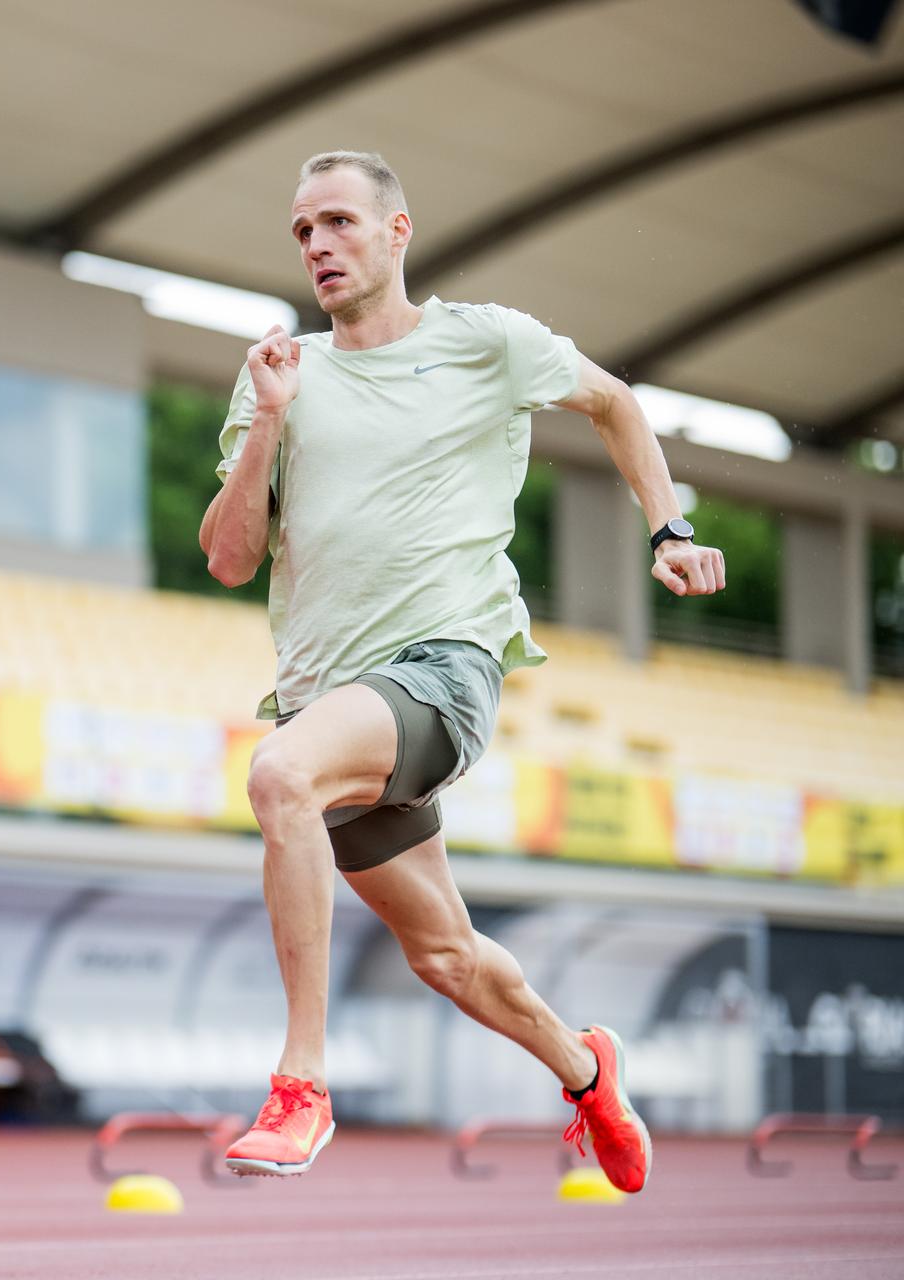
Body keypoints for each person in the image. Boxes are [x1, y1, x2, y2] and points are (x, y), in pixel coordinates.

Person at [200, 150, 726, 1192]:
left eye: (339, 222)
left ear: (398, 232)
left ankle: (301, 1084)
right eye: (302, 231)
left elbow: (616, 402)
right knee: (443, 955)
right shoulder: (281, 374)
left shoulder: (485, 341)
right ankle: (587, 1070)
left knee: (278, 776)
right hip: (332, 693)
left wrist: (669, 527)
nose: (317, 246)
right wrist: (267, 418)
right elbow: (227, 555)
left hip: (444, 668)